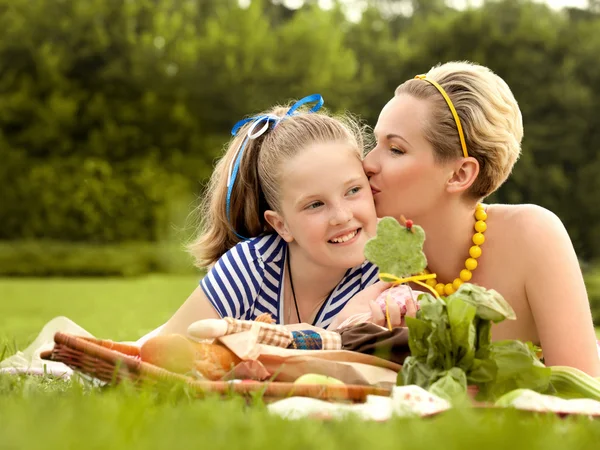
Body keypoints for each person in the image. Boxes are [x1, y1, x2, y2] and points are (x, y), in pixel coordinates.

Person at [339, 61, 599, 375]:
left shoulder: (533, 235)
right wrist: (355, 332)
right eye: (374, 144)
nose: (367, 164)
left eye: (395, 149)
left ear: (460, 174)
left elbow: (583, 394)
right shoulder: (374, 252)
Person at [159, 94, 381, 335]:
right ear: (281, 224)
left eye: (353, 190)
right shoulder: (250, 267)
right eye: (315, 204)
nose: (342, 215)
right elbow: (164, 350)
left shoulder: (384, 276)